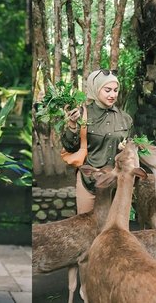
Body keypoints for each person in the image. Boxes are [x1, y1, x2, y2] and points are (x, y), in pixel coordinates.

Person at [62, 69, 133, 213]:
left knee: (111, 231)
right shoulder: (81, 113)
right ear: (95, 89)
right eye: (107, 90)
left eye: (115, 90)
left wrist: (126, 148)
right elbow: (70, 147)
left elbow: (131, 150)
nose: (113, 95)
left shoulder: (125, 118)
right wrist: (72, 124)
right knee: (86, 227)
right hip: (88, 181)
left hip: (115, 183)